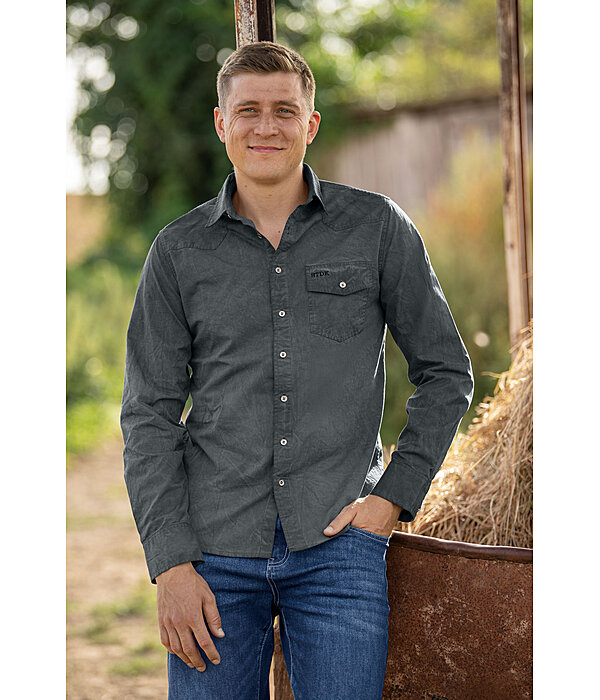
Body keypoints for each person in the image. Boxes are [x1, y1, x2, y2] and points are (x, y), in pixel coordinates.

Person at [120, 41, 474, 700]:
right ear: (221, 124)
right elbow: (148, 415)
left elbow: (446, 371)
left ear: (310, 124)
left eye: (284, 110)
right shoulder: (178, 252)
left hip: (340, 548)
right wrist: (170, 564)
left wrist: (391, 499)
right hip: (212, 555)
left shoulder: (376, 228)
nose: (266, 126)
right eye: (248, 111)